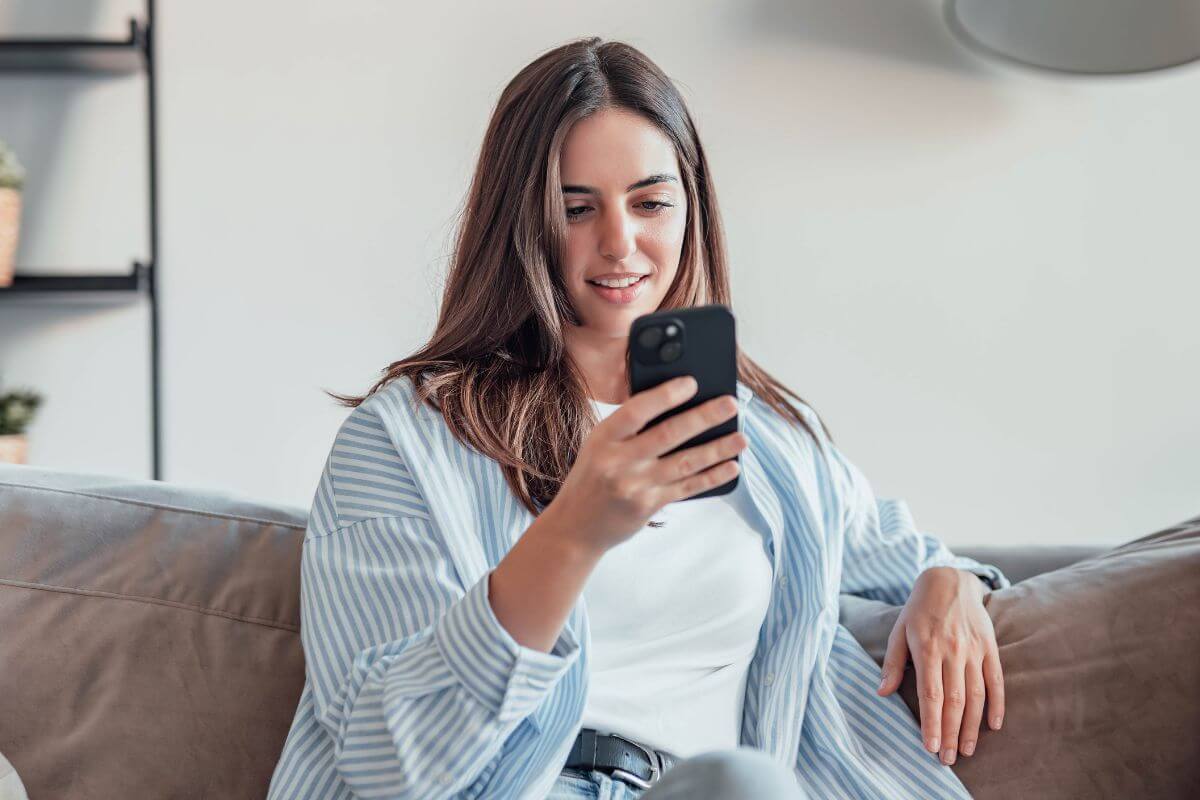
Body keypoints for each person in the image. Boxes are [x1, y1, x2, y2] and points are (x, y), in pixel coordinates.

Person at [267, 36, 1011, 800]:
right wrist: (573, 531)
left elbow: (898, 549)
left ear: (692, 208)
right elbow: (387, 761)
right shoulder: (404, 441)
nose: (620, 244)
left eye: (651, 202)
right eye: (576, 208)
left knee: (739, 784)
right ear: (518, 222)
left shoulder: (772, 439)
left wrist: (948, 580)